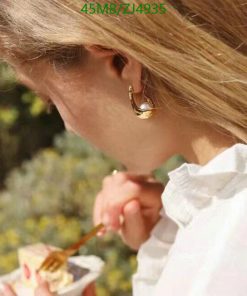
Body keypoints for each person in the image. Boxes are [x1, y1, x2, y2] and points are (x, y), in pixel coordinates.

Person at [0, 0, 246, 295]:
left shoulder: (226, 251)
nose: (69, 129)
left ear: (121, 63)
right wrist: (170, 237)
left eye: (51, 100)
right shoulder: (217, 217)